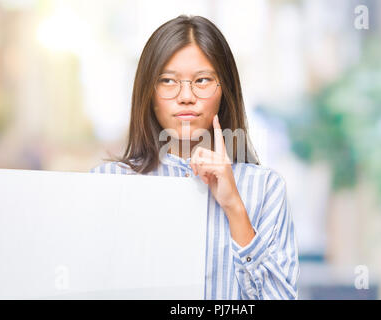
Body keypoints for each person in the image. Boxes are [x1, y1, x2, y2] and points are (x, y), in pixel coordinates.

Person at [91, 15, 299, 300]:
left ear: (224, 91)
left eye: (202, 80)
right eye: (167, 81)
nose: (186, 96)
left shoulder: (265, 189)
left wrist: (234, 207)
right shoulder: (108, 183)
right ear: (148, 93)